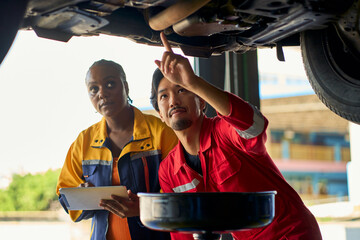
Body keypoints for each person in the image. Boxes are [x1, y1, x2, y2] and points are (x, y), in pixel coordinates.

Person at [150, 32, 322, 240]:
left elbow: (255, 126)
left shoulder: (223, 132)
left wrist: (193, 82)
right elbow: (182, 231)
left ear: (201, 102)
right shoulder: (169, 171)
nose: (173, 101)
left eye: (182, 90)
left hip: (290, 232)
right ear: (160, 114)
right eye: (164, 96)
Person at [56, 59, 178, 240]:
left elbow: (180, 191)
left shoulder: (161, 133)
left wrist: (145, 207)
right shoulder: (83, 142)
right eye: (94, 89)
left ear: (126, 87)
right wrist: (82, 194)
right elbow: (64, 194)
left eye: (110, 84)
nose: (102, 93)